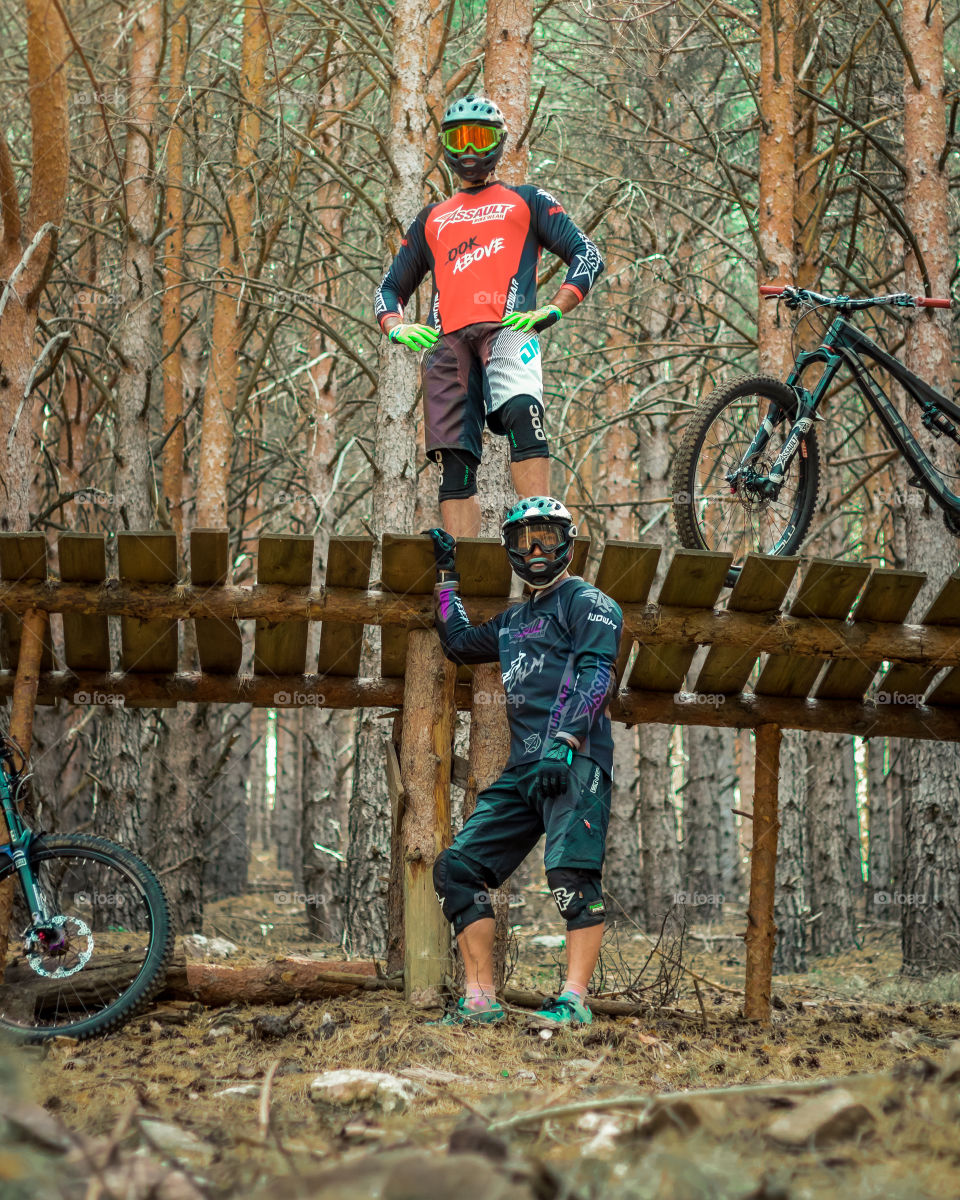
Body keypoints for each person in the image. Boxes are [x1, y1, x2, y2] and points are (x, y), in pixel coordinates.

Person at [424, 497, 623, 1026]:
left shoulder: (588, 602)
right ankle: (481, 1001)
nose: (536, 549)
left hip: (575, 759)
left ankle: (574, 1002)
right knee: (456, 869)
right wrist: (446, 578)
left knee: (570, 875)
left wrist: (566, 740)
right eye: (522, 539)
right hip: (523, 770)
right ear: (510, 549)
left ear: (569, 543)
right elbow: (461, 644)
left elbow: (596, 673)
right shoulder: (513, 622)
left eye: (548, 537)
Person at [375, 95, 604, 539]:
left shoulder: (528, 199)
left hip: (510, 328)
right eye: (458, 138)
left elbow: (587, 254)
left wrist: (555, 308)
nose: (468, 149)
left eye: (479, 137)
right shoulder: (431, 219)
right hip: (446, 345)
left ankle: (541, 539)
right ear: (444, 146)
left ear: (498, 143)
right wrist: (396, 326)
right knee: (454, 465)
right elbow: (388, 288)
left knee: (523, 414)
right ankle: (464, 572)